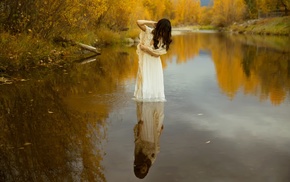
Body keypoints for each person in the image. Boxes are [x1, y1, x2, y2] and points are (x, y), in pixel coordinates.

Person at [134, 18, 172, 102]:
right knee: (144, 79)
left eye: (165, 30)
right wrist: (151, 22)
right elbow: (138, 22)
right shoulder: (149, 31)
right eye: (162, 29)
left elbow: (157, 54)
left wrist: (146, 49)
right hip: (145, 60)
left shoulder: (165, 40)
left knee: (152, 80)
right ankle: (143, 99)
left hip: (154, 62)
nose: (163, 32)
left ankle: (151, 100)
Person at [133, 102, 164, 179]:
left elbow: (137, 142)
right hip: (153, 136)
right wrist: (159, 132)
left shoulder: (138, 156)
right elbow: (156, 146)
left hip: (145, 133)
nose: (144, 168)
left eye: (142, 169)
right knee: (158, 112)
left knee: (146, 110)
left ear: (139, 166)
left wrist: (139, 127)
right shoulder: (151, 160)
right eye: (145, 170)